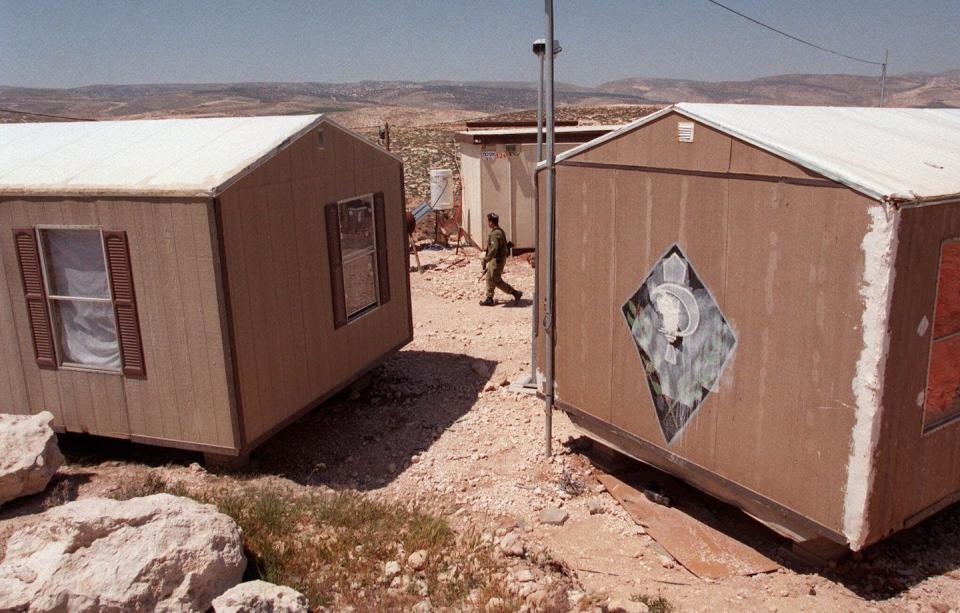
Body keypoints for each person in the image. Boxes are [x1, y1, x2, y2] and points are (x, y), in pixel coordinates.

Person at [480, 212, 522, 306]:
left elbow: (494, 249)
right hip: (496, 259)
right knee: (489, 278)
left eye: (488, 221)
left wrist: (486, 259)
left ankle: (515, 293)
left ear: (491, 222)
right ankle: (489, 298)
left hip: (497, 259)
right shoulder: (500, 231)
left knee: (496, 280)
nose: (487, 223)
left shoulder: (495, 234)